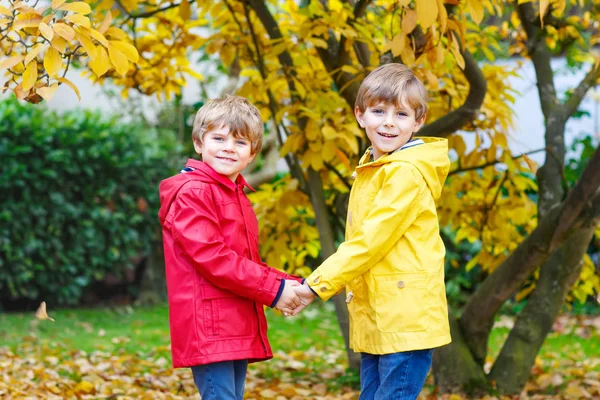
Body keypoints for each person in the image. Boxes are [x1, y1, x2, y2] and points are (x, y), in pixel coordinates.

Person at [293, 63, 452, 400]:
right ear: (360, 115)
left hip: (405, 321)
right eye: (379, 111)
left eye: (402, 114)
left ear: (418, 121)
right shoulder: (374, 168)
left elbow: (368, 243)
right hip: (380, 317)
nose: (389, 122)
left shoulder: (405, 173)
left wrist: (313, 287)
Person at [158, 95, 303, 400]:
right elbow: (214, 258)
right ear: (199, 143)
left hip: (232, 319)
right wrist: (275, 291)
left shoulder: (234, 194)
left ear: (253, 153)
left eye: (239, 142)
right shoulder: (193, 193)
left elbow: (244, 260)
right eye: (219, 138)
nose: (228, 147)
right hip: (211, 324)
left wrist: (290, 285)